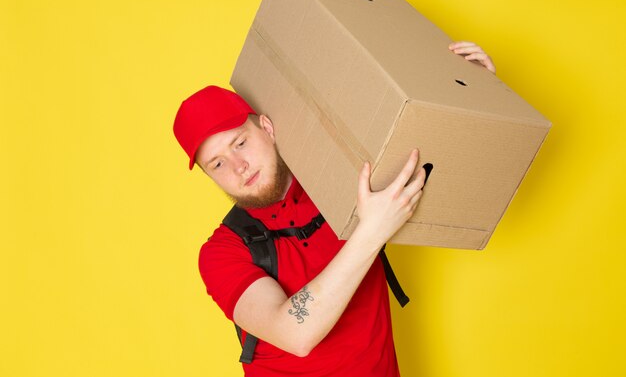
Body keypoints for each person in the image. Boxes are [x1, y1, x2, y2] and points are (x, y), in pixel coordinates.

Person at [173, 42, 495, 377]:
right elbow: (296, 334)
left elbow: (434, 164)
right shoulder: (221, 254)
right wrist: (370, 232)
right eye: (218, 163)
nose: (238, 166)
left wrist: (472, 90)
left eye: (240, 143)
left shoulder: (346, 184)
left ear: (266, 128)